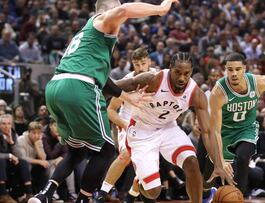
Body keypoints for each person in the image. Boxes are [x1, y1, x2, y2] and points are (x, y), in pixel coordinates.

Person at [28, 0, 178, 202]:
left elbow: (103, 79)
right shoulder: (103, 20)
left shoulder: (87, 35)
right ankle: (84, 199)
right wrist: (160, 9)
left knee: (77, 152)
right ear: (108, 10)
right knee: (106, 150)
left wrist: (127, 96)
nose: (122, 19)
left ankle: (44, 194)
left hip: (56, 88)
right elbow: (124, 9)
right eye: (117, 10)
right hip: (78, 88)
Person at [111, 52, 235, 203]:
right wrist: (93, 87)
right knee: (154, 192)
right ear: (170, 68)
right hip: (142, 131)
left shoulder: (196, 94)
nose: (182, 78)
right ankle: (140, 185)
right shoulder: (153, 79)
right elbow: (116, 86)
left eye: (186, 73)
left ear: (191, 72)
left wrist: (218, 162)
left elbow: (207, 133)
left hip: (168, 128)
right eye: (177, 72)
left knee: (191, 162)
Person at [209, 52, 265, 195]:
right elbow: (215, 130)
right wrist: (220, 159)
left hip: (246, 128)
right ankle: (211, 194)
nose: (234, 73)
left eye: (238, 69)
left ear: (244, 69)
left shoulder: (258, 82)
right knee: (216, 169)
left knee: (243, 157)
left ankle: (239, 195)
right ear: (225, 70)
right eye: (230, 70)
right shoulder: (218, 91)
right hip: (225, 130)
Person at [95, 47, 157, 203]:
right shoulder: (128, 82)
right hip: (127, 122)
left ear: (149, 62)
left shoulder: (158, 77)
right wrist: (125, 124)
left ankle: (131, 196)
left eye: (143, 63)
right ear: (132, 65)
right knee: (127, 155)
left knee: (145, 166)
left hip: (149, 126)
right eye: (137, 64)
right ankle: (102, 193)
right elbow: (110, 110)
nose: (141, 68)